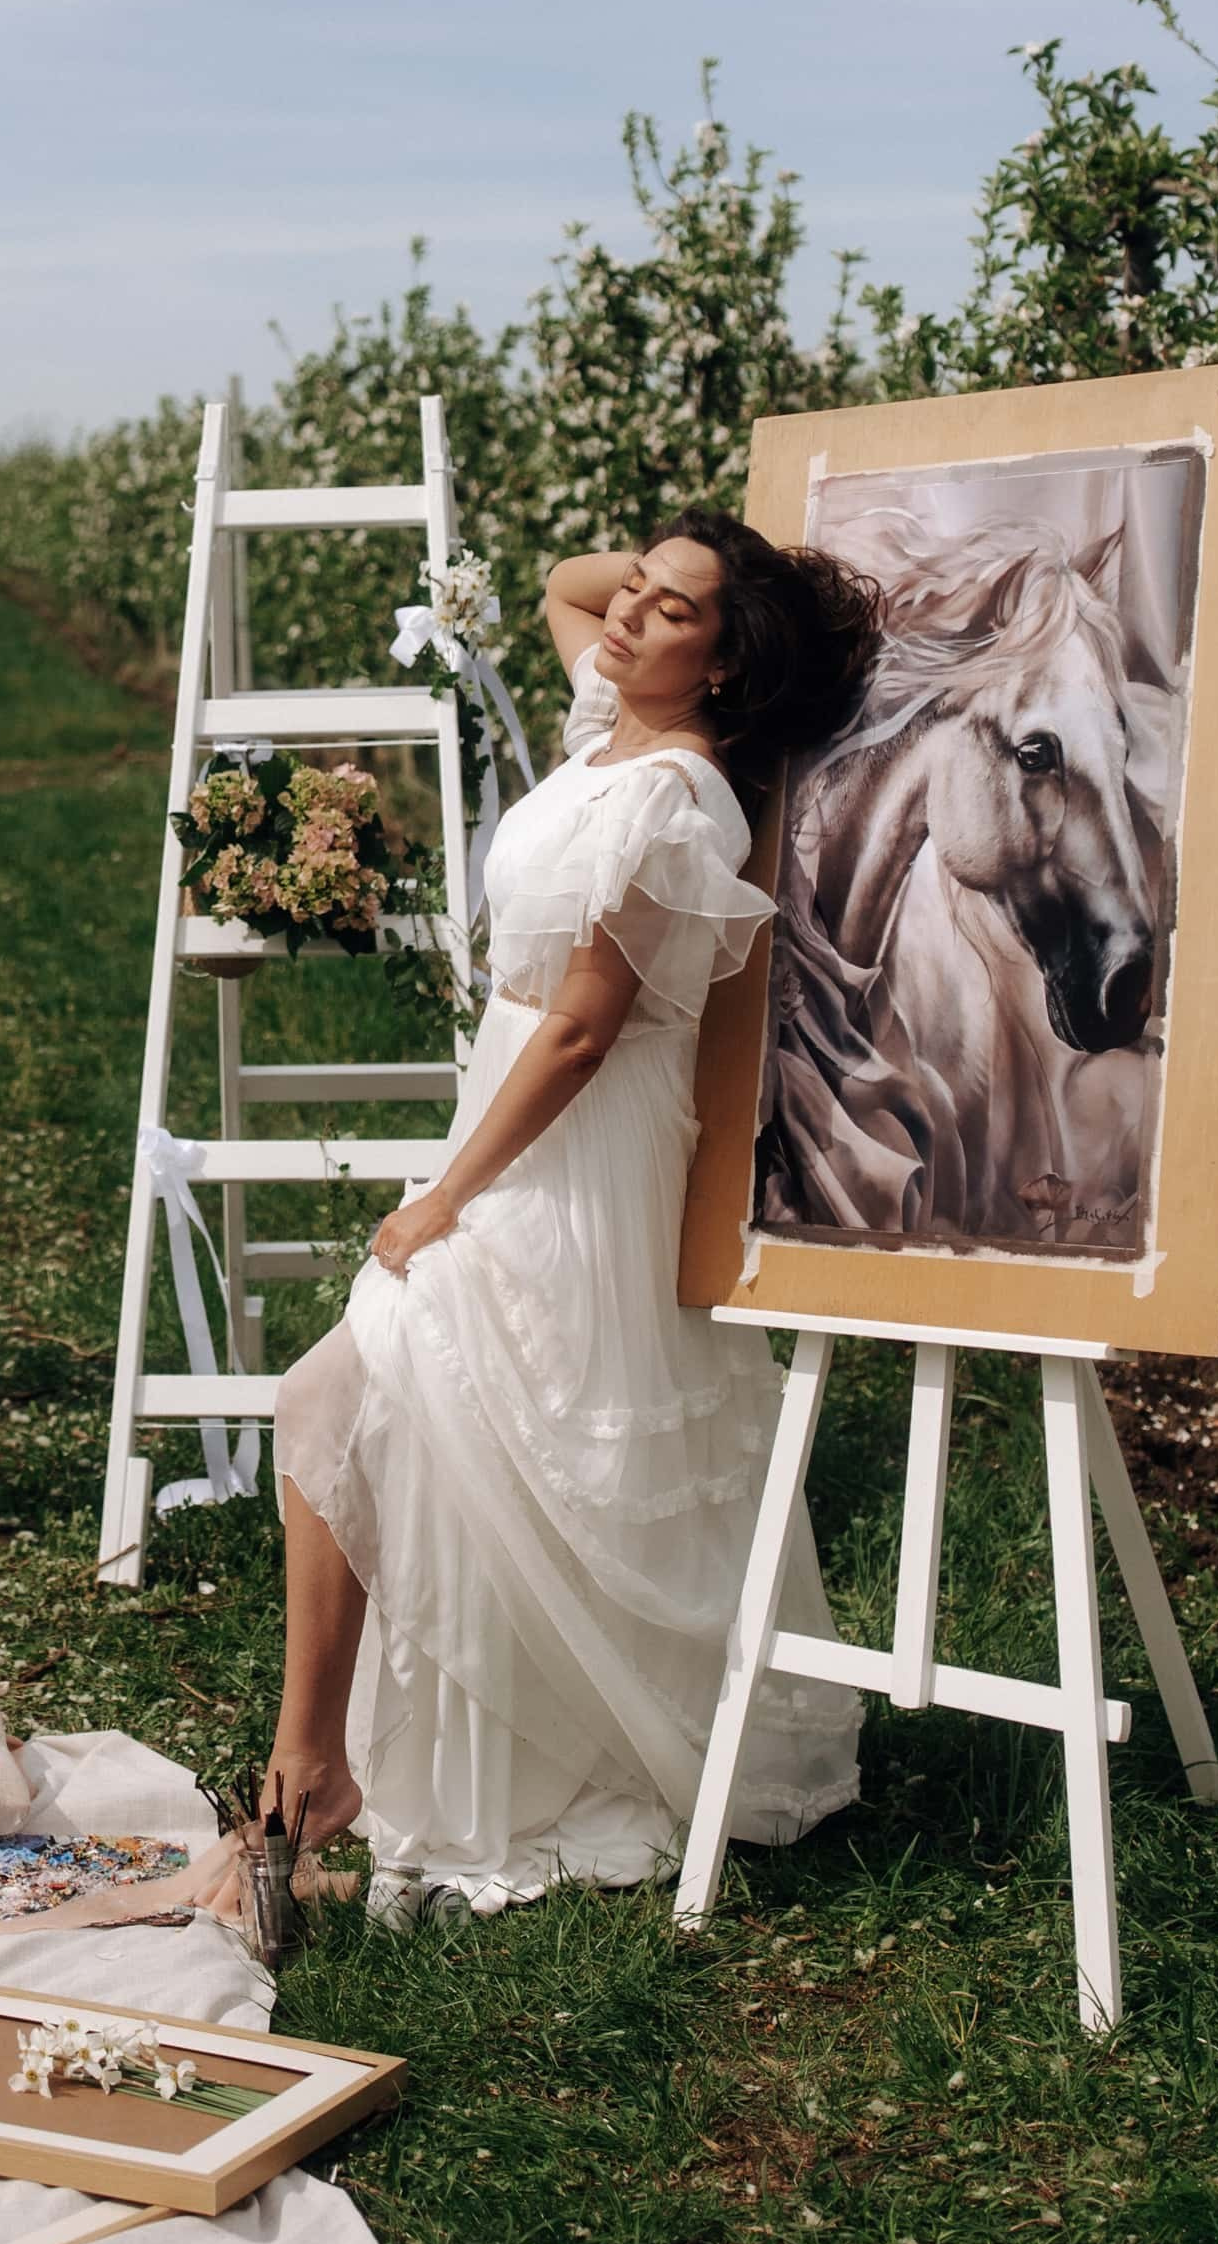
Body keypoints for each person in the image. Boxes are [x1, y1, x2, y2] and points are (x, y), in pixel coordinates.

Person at [265, 509, 883, 1914]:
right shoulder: (607, 722)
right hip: (516, 1119)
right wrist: (699, 571)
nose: (628, 614)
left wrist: (446, 1200)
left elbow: (586, 1033)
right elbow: (562, 583)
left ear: (723, 669)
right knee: (435, 1428)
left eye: (672, 613)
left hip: (570, 1148)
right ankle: (325, 1763)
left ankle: (312, 1762)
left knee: (355, 1397)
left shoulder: (675, 798)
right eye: (644, 593)